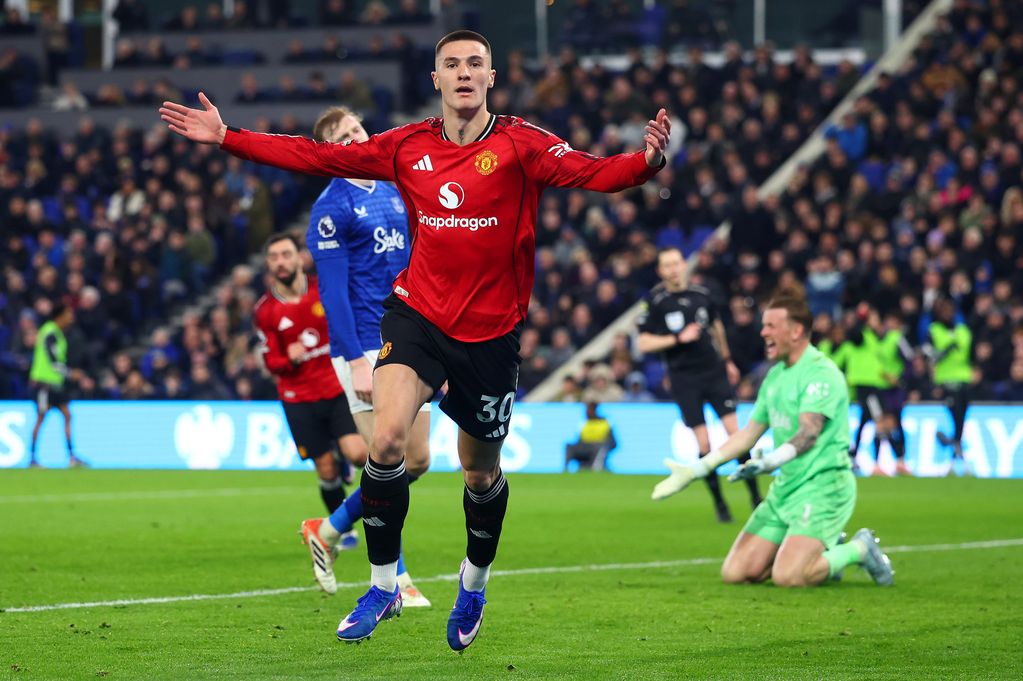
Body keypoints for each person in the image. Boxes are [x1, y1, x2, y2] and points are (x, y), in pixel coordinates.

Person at [160, 28, 670, 649]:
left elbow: (595, 172)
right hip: (417, 315)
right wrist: (229, 138)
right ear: (435, 79)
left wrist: (645, 163)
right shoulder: (407, 147)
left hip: (491, 334)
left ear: (490, 77)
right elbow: (316, 158)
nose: (462, 72)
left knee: (478, 474)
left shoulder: (521, 144)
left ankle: (473, 582)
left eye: (474, 63)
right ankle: (382, 585)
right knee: (388, 441)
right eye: (450, 64)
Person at [651, 287, 894, 588]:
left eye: (770, 326)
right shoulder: (775, 377)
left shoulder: (821, 373)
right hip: (787, 488)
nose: (762, 332)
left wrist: (773, 460)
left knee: (789, 577)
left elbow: (809, 432)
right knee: (735, 573)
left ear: (796, 331)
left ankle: (858, 549)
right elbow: (747, 435)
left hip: (823, 486)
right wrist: (695, 470)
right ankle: (817, 547)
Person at [298, 106, 432, 608]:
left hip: (411, 334)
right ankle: (395, 577)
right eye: (345, 135)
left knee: (417, 460)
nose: (358, 136)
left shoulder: (395, 188)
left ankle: (327, 527)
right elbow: (331, 294)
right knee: (388, 457)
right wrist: (354, 360)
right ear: (332, 151)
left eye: (358, 128)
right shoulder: (330, 207)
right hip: (365, 345)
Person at [253, 233, 368, 529]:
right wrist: (288, 358)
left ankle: (351, 480)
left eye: (286, 254)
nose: (281, 262)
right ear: (268, 264)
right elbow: (270, 362)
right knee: (326, 469)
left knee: (358, 454)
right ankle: (343, 529)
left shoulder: (324, 292)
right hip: (298, 397)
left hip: (336, 387)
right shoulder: (266, 311)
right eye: (274, 257)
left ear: (300, 258)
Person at [637, 247, 760, 523]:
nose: (673, 269)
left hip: (713, 371)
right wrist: (678, 339)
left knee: (736, 434)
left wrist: (727, 360)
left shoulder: (702, 296)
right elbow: (643, 343)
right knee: (703, 441)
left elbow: (716, 327)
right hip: (684, 378)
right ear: (660, 271)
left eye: (677, 263)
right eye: (667, 265)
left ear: (684, 266)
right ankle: (720, 503)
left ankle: (755, 497)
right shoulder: (656, 303)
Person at [28, 303, 87, 468]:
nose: (71, 317)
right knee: (41, 417)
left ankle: (72, 457)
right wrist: (70, 373)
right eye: (68, 313)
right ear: (59, 315)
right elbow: (53, 361)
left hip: (55, 384)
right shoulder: (50, 332)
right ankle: (32, 458)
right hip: (44, 384)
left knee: (67, 415)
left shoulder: (57, 333)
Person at [833, 304, 890, 473]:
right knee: (879, 420)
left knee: (865, 422)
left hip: (874, 384)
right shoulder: (859, 338)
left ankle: (853, 456)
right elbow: (855, 334)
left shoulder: (871, 339)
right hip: (865, 386)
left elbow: (876, 361)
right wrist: (862, 318)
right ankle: (877, 463)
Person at [926, 297, 973, 473]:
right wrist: (947, 349)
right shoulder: (934, 330)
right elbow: (931, 357)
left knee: (961, 419)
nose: (947, 313)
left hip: (964, 379)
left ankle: (950, 446)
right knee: (955, 417)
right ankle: (955, 452)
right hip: (945, 381)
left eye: (949, 310)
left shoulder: (964, 330)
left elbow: (971, 354)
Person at [878, 311, 914, 476]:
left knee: (896, 423)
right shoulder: (877, 340)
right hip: (879, 387)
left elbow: (909, 360)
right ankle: (879, 462)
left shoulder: (897, 338)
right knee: (882, 425)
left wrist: (900, 379)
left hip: (894, 391)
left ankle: (900, 460)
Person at [564, 401, 617, 471]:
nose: (587, 412)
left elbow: (613, 442)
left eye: (589, 410)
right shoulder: (584, 423)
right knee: (569, 446)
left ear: (595, 411)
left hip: (597, 447)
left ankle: (596, 468)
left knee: (599, 447)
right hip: (585, 446)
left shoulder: (605, 423)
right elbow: (579, 439)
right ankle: (566, 469)